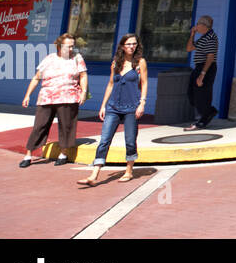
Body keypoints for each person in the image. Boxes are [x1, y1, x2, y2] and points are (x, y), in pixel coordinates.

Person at [79, 33, 147, 186]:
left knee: (130, 141)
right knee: (104, 140)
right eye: (128, 44)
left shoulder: (140, 63)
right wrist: (103, 105)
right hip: (113, 106)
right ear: (123, 46)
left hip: (131, 107)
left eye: (134, 44)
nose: (132, 46)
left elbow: (144, 83)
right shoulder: (116, 62)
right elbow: (110, 84)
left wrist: (142, 103)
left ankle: (129, 171)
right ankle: (94, 175)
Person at [19, 33, 87, 167]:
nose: (71, 49)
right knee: (39, 126)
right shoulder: (49, 59)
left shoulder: (77, 58)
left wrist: (83, 92)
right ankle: (28, 155)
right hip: (47, 97)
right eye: (68, 46)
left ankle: (63, 153)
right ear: (59, 46)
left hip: (69, 96)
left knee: (66, 126)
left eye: (73, 46)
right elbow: (36, 78)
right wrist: (27, 95)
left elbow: (83, 75)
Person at [185, 15, 218, 129]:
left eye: (198, 24)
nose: (196, 26)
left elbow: (210, 58)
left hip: (206, 68)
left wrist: (202, 75)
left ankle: (201, 120)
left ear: (205, 26)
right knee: (191, 93)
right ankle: (209, 111)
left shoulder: (211, 38)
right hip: (198, 67)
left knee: (201, 95)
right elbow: (189, 48)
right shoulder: (203, 37)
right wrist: (192, 35)